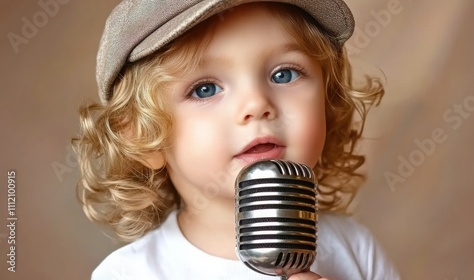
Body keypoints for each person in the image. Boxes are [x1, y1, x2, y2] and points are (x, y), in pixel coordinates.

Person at [73, 0, 401, 279]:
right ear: (141, 136)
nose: (257, 105)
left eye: (283, 74)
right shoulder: (128, 274)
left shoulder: (356, 250)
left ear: (328, 100)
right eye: (205, 89)